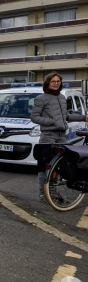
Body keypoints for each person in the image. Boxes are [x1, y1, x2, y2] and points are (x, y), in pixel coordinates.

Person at [30, 72, 88, 203]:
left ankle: (53, 193)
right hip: (48, 136)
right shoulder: (41, 98)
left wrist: (84, 117)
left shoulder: (62, 98)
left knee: (60, 166)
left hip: (62, 136)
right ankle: (43, 195)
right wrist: (52, 122)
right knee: (45, 166)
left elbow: (66, 116)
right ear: (48, 83)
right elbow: (34, 117)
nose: (56, 83)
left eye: (58, 81)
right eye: (53, 81)